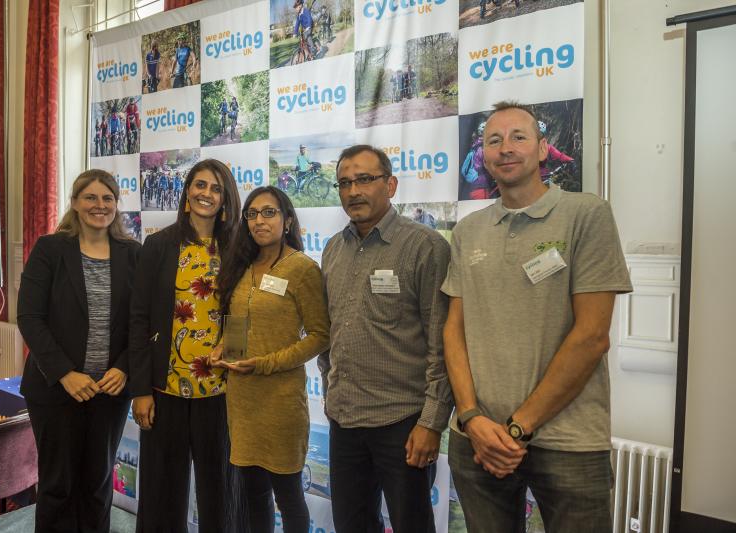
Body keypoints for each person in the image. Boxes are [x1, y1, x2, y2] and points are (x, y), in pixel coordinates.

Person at [442, 101, 632, 533]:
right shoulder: (468, 231)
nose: (505, 148)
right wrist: (471, 416)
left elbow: (591, 337)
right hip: (478, 437)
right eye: (493, 140)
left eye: (518, 137)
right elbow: (454, 330)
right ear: (483, 155)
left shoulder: (587, 215)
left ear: (543, 149)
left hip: (567, 441)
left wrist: (516, 429)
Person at [319, 145, 452, 533]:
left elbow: (442, 344)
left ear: (390, 184)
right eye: (344, 182)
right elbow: (331, 330)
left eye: (364, 179)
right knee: (351, 524)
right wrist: (331, 387)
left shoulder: (425, 247)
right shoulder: (332, 249)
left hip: (403, 422)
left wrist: (431, 422)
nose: (353, 191)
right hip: (345, 420)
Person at [17, 169, 141, 532]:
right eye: (90, 197)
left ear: (117, 206)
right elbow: (29, 317)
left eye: (107, 198)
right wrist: (65, 374)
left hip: (109, 390)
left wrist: (125, 367)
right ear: (74, 203)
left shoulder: (133, 254)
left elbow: (143, 321)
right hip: (55, 390)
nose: (99, 206)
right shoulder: (50, 249)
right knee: (58, 485)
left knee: (98, 483)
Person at [129, 159, 246, 533]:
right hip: (166, 390)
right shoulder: (159, 245)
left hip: (221, 391)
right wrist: (141, 390)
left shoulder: (238, 248)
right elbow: (139, 319)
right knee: (162, 494)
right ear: (186, 192)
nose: (206, 194)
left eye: (215, 188)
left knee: (221, 493)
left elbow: (244, 310)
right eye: (199, 185)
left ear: (225, 198)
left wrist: (235, 351)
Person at [213, 185, 330, 533]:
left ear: (288, 218)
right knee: (253, 494)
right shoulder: (243, 266)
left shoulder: (302, 268)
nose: (259, 221)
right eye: (252, 214)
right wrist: (225, 350)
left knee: (288, 497)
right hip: (242, 398)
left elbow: (320, 336)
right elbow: (236, 320)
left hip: (281, 402)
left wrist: (264, 363)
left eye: (269, 212)